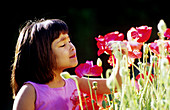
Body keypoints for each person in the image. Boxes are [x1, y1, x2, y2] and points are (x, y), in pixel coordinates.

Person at [11, 19, 122, 110]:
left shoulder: (75, 83)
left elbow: (115, 85)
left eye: (69, 41)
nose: (72, 47)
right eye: (63, 44)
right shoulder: (30, 92)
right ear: (42, 54)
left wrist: (120, 57)